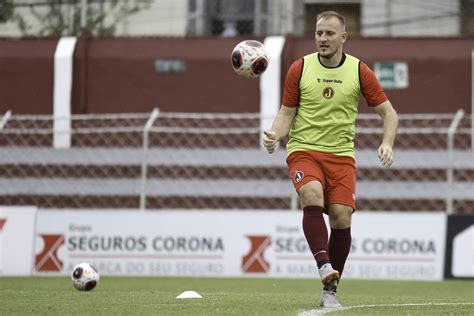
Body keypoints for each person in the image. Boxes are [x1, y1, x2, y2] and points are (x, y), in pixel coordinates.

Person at [263, 11, 398, 308]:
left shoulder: (360, 71)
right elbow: (286, 113)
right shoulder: (299, 68)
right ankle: (324, 265)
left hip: (341, 156)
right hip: (304, 149)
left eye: (329, 34)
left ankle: (330, 292)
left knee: (341, 217)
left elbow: (389, 113)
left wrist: (386, 143)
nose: (322, 39)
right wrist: (275, 135)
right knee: (311, 194)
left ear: (343, 38)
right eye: (319, 33)